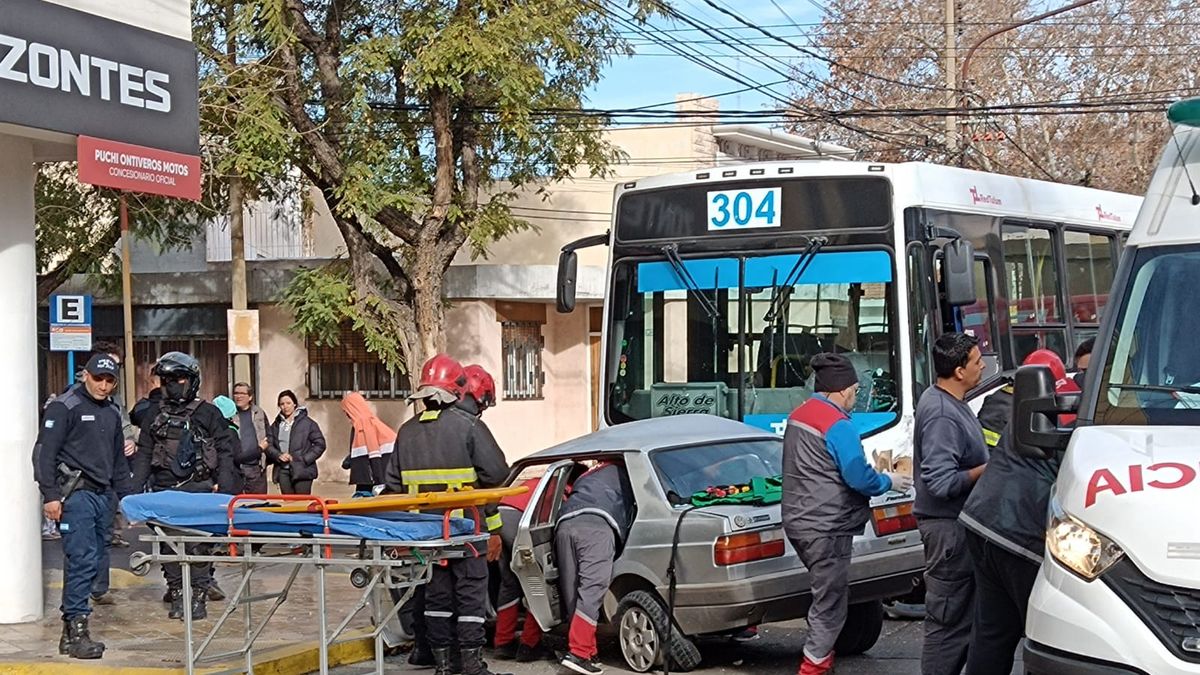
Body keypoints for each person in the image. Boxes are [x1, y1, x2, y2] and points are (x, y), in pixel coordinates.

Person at [782, 353, 913, 675]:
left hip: (799, 520)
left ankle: (820, 657)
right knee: (831, 598)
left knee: (825, 591)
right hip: (827, 524)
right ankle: (814, 663)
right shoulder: (837, 424)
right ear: (841, 390)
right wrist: (888, 481)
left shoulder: (800, 415)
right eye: (854, 389)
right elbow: (857, 476)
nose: (856, 396)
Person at [383, 354, 510, 675]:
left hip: (427, 533)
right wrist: (492, 529)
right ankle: (470, 665)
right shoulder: (469, 427)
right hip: (466, 529)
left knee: (436, 597)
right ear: (456, 390)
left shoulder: (406, 432)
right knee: (470, 596)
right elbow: (498, 475)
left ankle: (441, 664)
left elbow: (393, 486)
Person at [960, 350, 1079, 675]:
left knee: (992, 631)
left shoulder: (1019, 407)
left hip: (981, 520)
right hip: (1019, 534)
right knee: (1049, 635)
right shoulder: (1065, 413)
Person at [34, 354, 131, 660]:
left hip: (104, 496)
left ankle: (70, 633)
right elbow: (43, 454)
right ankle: (77, 631)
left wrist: (126, 498)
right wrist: (50, 495)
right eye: (98, 378)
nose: (103, 385)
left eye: (109, 380)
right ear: (85, 376)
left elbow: (117, 459)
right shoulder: (65, 406)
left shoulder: (112, 411)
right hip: (75, 495)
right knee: (81, 559)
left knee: (96, 559)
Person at [130, 351, 235, 621]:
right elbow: (144, 453)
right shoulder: (154, 412)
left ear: (192, 381)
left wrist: (224, 493)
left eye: (179, 379)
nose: (173, 385)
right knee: (168, 548)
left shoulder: (208, 413)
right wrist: (132, 495)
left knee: (199, 547)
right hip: (164, 490)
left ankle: (199, 596)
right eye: (167, 380)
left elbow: (226, 453)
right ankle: (176, 593)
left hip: (199, 490)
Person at [913, 332, 988, 675]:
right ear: (959, 371)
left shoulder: (947, 401)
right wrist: (985, 470)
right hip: (948, 532)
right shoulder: (942, 413)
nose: (983, 365)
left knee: (963, 621)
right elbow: (940, 482)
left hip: (956, 530)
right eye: (976, 361)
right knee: (948, 625)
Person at [555, 460, 635, 675]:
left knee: (573, 591)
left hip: (565, 523)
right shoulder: (630, 470)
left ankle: (588, 651)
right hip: (597, 525)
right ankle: (579, 653)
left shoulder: (589, 474)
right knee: (592, 590)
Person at [267, 390, 326, 495]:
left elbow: (320, 444)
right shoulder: (275, 425)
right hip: (283, 470)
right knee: (288, 504)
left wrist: (305, 459)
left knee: (302, 504)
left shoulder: (308, 423)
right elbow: (269, 445)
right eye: (282, 404)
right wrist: (278, 455)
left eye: (288, 403)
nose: (285, 407)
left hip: (302, 469)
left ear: (294, 404)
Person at [340, 392, 394, 497]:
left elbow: (374, 453)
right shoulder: (368, 422)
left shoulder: (364, 424)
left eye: (347, 412)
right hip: (372, 476)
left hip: (371, 478)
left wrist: (379, 482)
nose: (347, 415)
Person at [230, 382, 271, 495]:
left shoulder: (259, 413)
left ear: (250, 397)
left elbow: (269, 435)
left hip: (256, 469)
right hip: (237, 468)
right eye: (236, 393)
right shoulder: (230, 414)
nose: (239, 396)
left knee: (258, 505)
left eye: (242, 393)